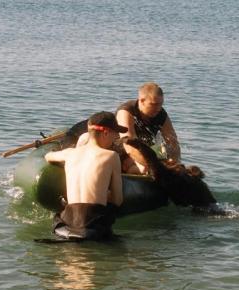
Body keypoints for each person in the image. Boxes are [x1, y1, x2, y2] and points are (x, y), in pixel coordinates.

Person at [44, 111, 124, 240]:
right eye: (115, 134)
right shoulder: (111, 156)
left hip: (65, 224)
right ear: (106, 133)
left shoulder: (69, 153)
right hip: (92, 226)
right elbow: (117, 200)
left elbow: (48, 157)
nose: (116, 138)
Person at [116, 82, 181, 174]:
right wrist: (155, 166)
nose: (158, 108)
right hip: (123, 151)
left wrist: (174, 164)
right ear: (141, 101)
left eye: (160, 104)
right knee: (144, 169)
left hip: (146, 150)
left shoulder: (161, 113)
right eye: (154, 104)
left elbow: (173, 141)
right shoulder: (126, 112)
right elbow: (129, 146)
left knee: (163, 152)